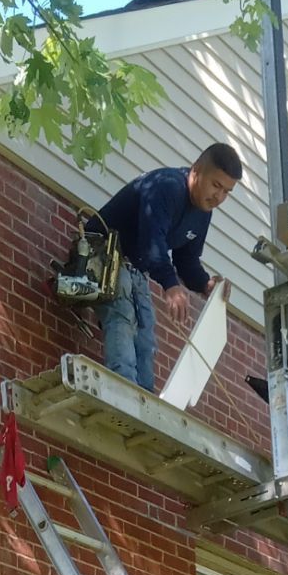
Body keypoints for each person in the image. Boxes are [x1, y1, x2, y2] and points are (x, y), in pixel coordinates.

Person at [94, 144, 242, 391]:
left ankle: (143, 400)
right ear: (196, 172)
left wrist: (205, 285)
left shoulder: (203, 212)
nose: (219, 197)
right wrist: (171, 286)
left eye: (227, 191)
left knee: (145, 336)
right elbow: (153, 241)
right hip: (101, 253)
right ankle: (122, 393)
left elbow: (186, 260)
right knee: (123, 316)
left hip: (133, 268)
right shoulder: (167, 186)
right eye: (216, 185)